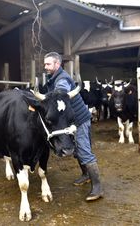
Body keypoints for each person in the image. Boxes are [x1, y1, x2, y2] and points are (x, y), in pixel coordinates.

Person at [43, 51, 103, 201]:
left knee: (84, 150)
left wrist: (59, 93)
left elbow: (61, 90)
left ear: (57, 64)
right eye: (45, 64)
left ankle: (97, 188)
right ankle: (85, 175)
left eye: (48, 64)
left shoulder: (62, 78)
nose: (46, 67)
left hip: (80, 120)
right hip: (70, 121)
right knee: (76, 149)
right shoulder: (52, 78)